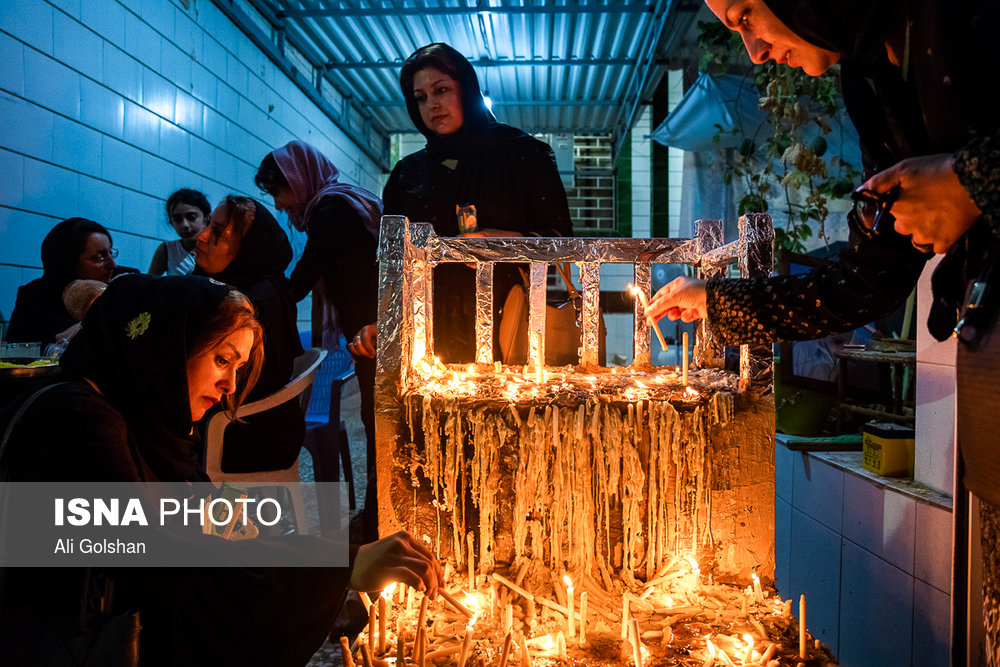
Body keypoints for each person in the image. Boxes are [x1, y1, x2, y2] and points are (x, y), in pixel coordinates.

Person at [645, 0, 999, 659]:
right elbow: (867, 277)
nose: (752, 50)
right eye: (733, 29)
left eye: (747, 13)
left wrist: (975, 180)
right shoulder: (873, 74)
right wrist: (719, 302)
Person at [0, 274, 443, 665]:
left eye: (240, 367)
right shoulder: (78, 422)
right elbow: (161, 557)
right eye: (222, 360)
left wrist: (215, 511)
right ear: (170, 345)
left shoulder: (146, 418)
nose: (231, 385)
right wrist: (343, 564)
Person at [382, 42, 573, 364]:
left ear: (466, 90)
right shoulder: (409, 173)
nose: (432, 105)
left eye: (441, 90)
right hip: (430, 329)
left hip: (510, 323)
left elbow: (562, 240)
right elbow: (391, 260)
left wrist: (509, 242)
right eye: (421, 98)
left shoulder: (522, 155)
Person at [254, 140, 383, 493]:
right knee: (378, 418)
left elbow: (303, 277)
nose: (279, 204)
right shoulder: (343, 202)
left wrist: (253, 302)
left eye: (279, 192)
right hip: (375, 326)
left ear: (298, 179)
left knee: (378, 420)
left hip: (375, 331)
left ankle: (379, 513)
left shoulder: (331, 210)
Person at [194, 195, 305, 473]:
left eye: (217, 232)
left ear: (248, 249)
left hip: (250, 431)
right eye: (208, 224)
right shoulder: (228, 287)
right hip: (238, 421)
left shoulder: (253, 302)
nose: (202, 236)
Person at [5, 217, 121, 347]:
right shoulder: (36, 297)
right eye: (99, 258)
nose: (113, 264)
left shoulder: (120, 284)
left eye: (111, 253)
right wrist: (61, 339)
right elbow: (16, 350)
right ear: (69, 263)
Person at [148, 188, 211, 276]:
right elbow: (149, 286)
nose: (184, 225)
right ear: (171, 222)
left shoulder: (216, 249)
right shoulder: (166, 250)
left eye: (191, 217)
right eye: (177, 219)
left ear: (206, 218)